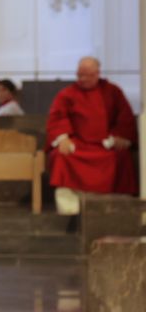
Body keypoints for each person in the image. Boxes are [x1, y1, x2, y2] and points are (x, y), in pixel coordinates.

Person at [47, 56, 137, 214]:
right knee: (61, 156)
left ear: (97, 74)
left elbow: (125, 116)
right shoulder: (67, 94)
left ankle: (119, 207)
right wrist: (63, 137)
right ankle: (70, 208)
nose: (82, 79)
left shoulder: (112, 92)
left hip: (106, 145)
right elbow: (57, 117)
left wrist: (121, 136)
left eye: (86, 75)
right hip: (78, 144)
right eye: (79, 75)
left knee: (121, 156)